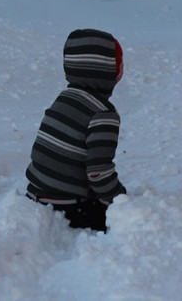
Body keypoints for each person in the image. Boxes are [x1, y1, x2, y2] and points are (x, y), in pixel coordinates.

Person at [25, 28, 127, 232]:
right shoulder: (103, 113)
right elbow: (99, 172)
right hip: (67, 207)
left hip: (35, 194)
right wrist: (120, 200)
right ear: (107, 71)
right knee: (111, 220)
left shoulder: (65, 98)